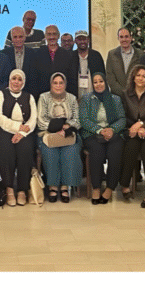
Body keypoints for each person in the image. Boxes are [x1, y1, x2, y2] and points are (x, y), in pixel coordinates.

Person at [0, 69, 37, 207]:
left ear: (23, 82)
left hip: (25, 133)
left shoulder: (29, 97)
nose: (16, 82)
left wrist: (22, 133)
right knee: (6, 150)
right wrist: (17, 127)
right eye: (14, 78)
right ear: (9, 80)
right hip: (4, 130)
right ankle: (9, 188)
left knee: (26, 149)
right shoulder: (1, 94)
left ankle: (22, 190)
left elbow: (33, 119)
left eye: (19, 79)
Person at [119, 65, 145, 208]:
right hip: (131, 130)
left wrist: (142, 125)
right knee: (131, 147)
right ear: (133, 77)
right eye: (138, 75)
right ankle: (125, 184)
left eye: (144, 76)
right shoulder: (125, 94)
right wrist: (135, 127)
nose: (141, 78)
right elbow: (123, 116)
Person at [80, 72, 126, 205]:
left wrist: (112, 129)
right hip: (92, 133)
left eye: (101, 81)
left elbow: (122, 119)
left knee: (115, 152)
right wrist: (100, 130)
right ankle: (96, 187)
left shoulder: (115, 99)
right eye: (95, 82)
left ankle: (110, 188)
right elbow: (84, 120)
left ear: (105, 82)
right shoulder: (87, 99)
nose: (98, 84)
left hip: (113, 133)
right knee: (97, 152)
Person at [37, 72, 82, 203]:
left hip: (67, 133)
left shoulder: (72, 98)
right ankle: (53, 185)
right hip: (48, 133)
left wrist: (66, 127)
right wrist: (57, 128)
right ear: (51, 84)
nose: (58, 85)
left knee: (70, 151)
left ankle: (65, 186)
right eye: (55, 83)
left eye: (61, 83)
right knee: (50, 151)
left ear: (65, 84)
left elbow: (77, 120)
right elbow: (41, 120)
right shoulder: (43, 97)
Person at [31, 25, 78, 98]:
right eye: (49, 34)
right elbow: (34, 79)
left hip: (63, 97)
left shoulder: (68, 55)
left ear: (58, 36)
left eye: (54, 34)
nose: (52, 37)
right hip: (42, 97)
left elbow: (72, 79)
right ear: (45, 36)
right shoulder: (37, 54)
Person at [105, 27, 143, 98]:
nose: (124, 39)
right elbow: (110, 77)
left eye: (126, 36)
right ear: (118, 38)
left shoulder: (140, 54)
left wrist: (133, 92)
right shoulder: (112, 54)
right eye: (121, 37)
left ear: (131, 38)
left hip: (135, 97)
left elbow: (142, 76)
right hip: (117, 97)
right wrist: (123, 93)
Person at [72, 30, 106, 98]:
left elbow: (103, 76)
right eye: (79, 39)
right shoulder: (71, 56)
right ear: (75, 41)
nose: (82, 42)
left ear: (88, 40)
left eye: (84, 39)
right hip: (76, 96)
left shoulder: (96, 55)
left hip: (94, 96)